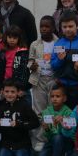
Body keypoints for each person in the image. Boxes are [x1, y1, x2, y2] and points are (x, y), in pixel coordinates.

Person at [0, 79, 39, 156]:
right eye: (7, 91)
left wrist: (19, 124)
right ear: (2, 92)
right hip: (6, 144)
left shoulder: (24, 105)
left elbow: (35, 123)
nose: (9, 94)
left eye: (13, 92)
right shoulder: (1, 107)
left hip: (21, 145)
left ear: (18, 92)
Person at [28, 15, 58, 144]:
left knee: (52, 109)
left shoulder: (59, 43)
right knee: (39, 110)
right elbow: (30, 61)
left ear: (53, 28)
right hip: (38, 80)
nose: (44, 29)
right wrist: (32, 65)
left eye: (47, 26)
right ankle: (39, 141)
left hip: (54, 80)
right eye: (41, 26)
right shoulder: (35, 44)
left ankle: (52, 139)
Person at [50, 11, 78, 110]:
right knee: (63, 115)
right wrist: (60, 60)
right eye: (65, 27)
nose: (68, 29)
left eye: (71, 26)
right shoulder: (59, 43)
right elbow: (53, 65)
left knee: (77, 113)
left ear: (77, 26)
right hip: (61, 86)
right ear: (61, 28)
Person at [37, 84, 72, 156]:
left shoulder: (68, 112)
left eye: (58, 96)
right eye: (52, 96)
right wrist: (47, 129)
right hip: (51, 141)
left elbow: (71, 133)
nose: (54, 99)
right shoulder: (47, 112)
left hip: (64, 142)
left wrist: (63, 121)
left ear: (64, 98)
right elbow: (48, 135)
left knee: (58, 137)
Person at [0, 25, 31, 104]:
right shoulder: (3, 51)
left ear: (19, 39)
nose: (12, 40)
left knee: (22, 106)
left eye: (14, 38)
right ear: (6, 37)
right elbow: (0, 69)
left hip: (19, 85)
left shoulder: (23, 51)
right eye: (10, 37)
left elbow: (24, 71)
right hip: (6, 83)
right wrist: (1, 87)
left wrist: (22, 88)